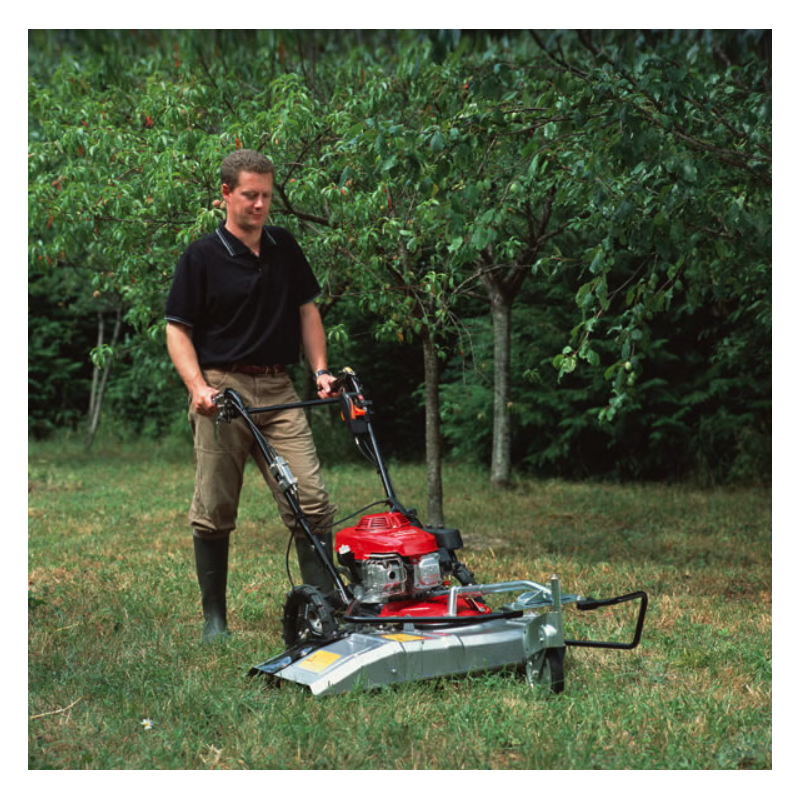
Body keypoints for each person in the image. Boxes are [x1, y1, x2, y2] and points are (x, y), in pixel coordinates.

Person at [165, 149, 339, 643]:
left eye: (266, 195)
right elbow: (177, 329)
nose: (260, 205)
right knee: (215, 507)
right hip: (224, 391)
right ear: (226, 194)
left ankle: (324, 615)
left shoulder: (285, 247)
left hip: (280, 389)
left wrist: (320, 371)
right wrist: (198, 387)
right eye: (249, 195)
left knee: (311, 501)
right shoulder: (201, 256)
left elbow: (307, 312)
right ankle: (214, 621)